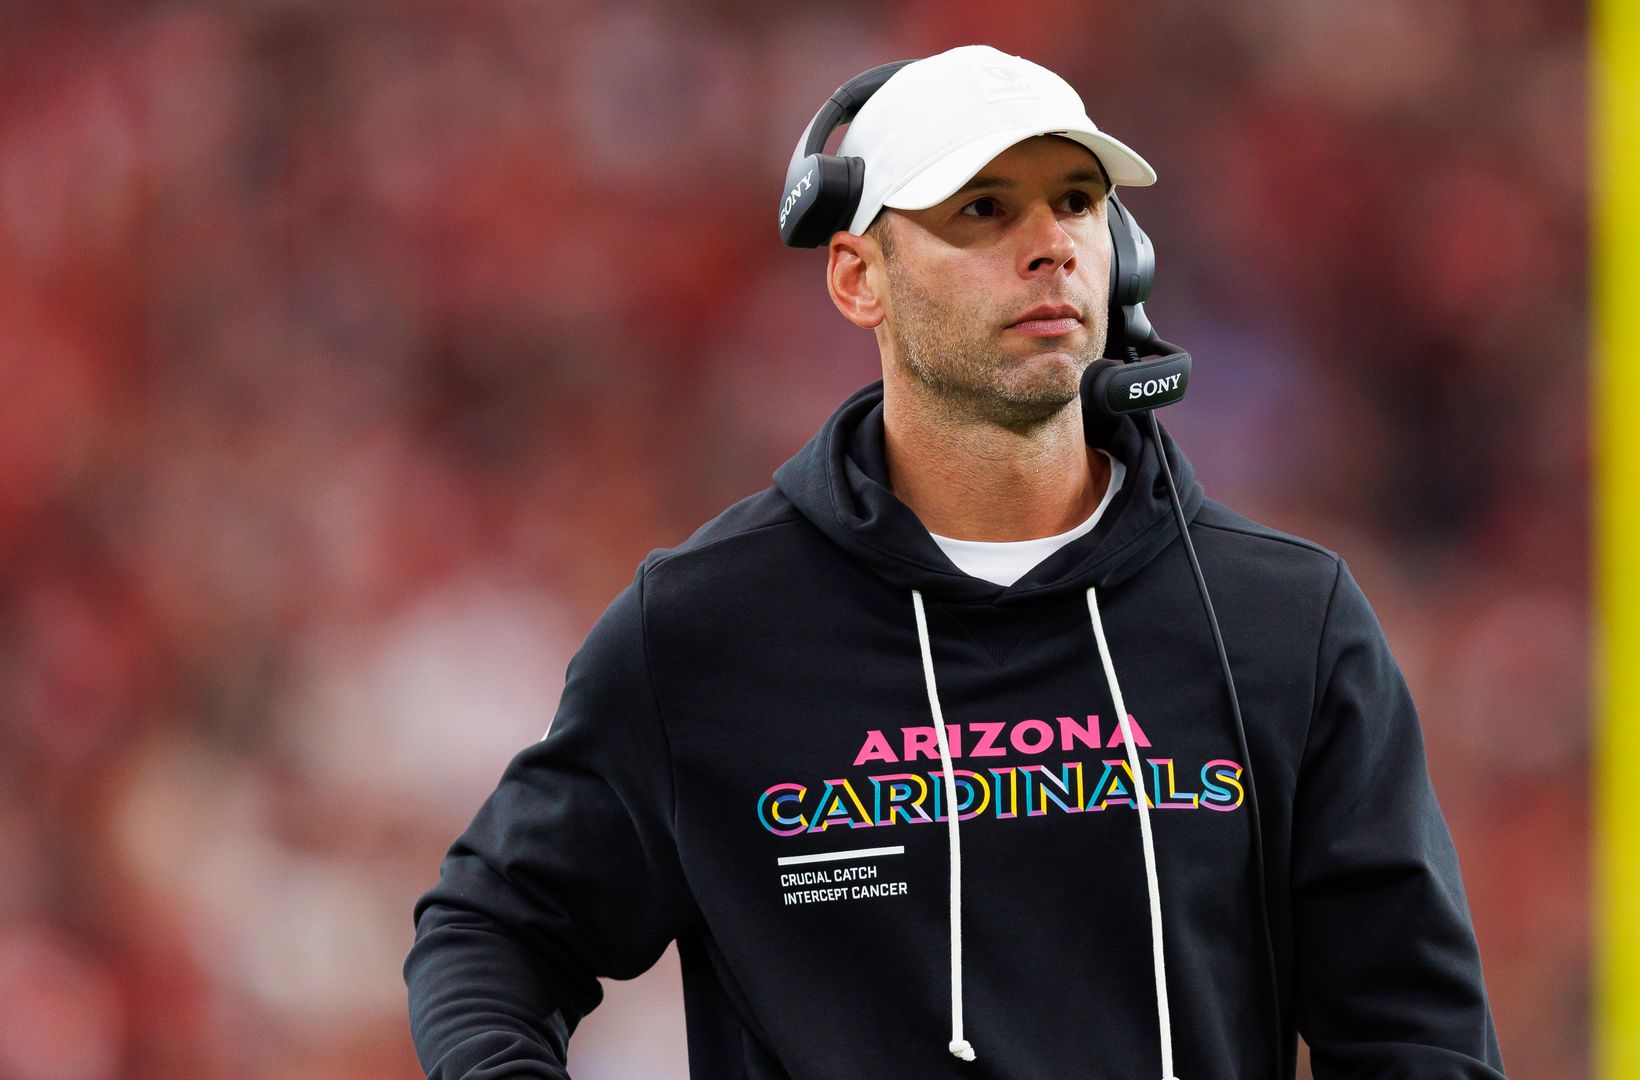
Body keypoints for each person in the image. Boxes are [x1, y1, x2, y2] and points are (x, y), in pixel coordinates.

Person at [405, 44, 1506, 1080]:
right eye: (982, 209)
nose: (1051, 244)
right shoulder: (704, 628)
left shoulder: (1286, 621)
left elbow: (1416, 1034)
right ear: (858, 278)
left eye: (1077, 201)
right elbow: (492, 933)